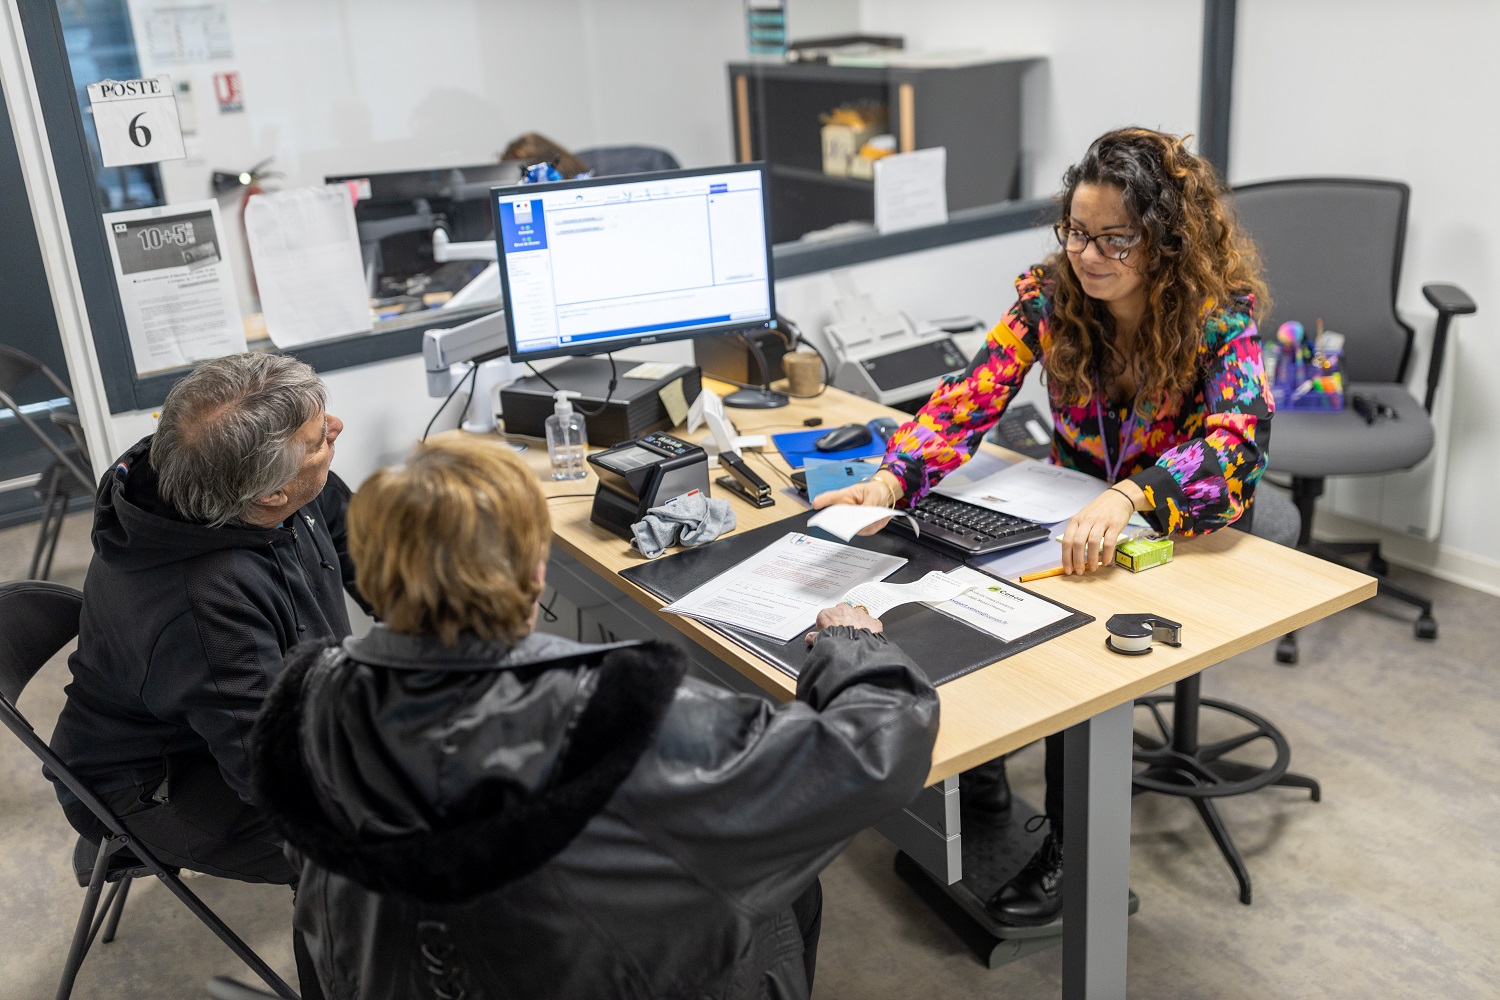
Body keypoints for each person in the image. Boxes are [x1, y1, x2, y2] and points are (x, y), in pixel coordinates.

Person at [251, 436, 939, 1000]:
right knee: (787, 892)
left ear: (369, 571)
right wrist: (853, 645)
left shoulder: (305, 703)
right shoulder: (620, 719)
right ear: (534, 570)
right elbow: (874, 748)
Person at [814, 127, 1273, 926]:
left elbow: (1237, 445)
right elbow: (974, 394)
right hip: (1067, 508)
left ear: (1164, 239)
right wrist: (891, 478)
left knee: (1077, 669)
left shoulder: (1215, 319)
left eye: (1114, 239)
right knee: (947, 582)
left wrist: (1131, 495)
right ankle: (980, 777)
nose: (1089, 254)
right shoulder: (1050, 297)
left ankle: (1070, 854)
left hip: (1176, 514)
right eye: (1077, 231)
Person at [48, 352, 358, 994]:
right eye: (316, 437)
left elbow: (358, 542)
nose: (336, 427)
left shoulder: (221, 473)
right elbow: (275, 780)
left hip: (236, 712)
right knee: (355, 852)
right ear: (269, 492)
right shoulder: (206, 603)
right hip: (158, 779)